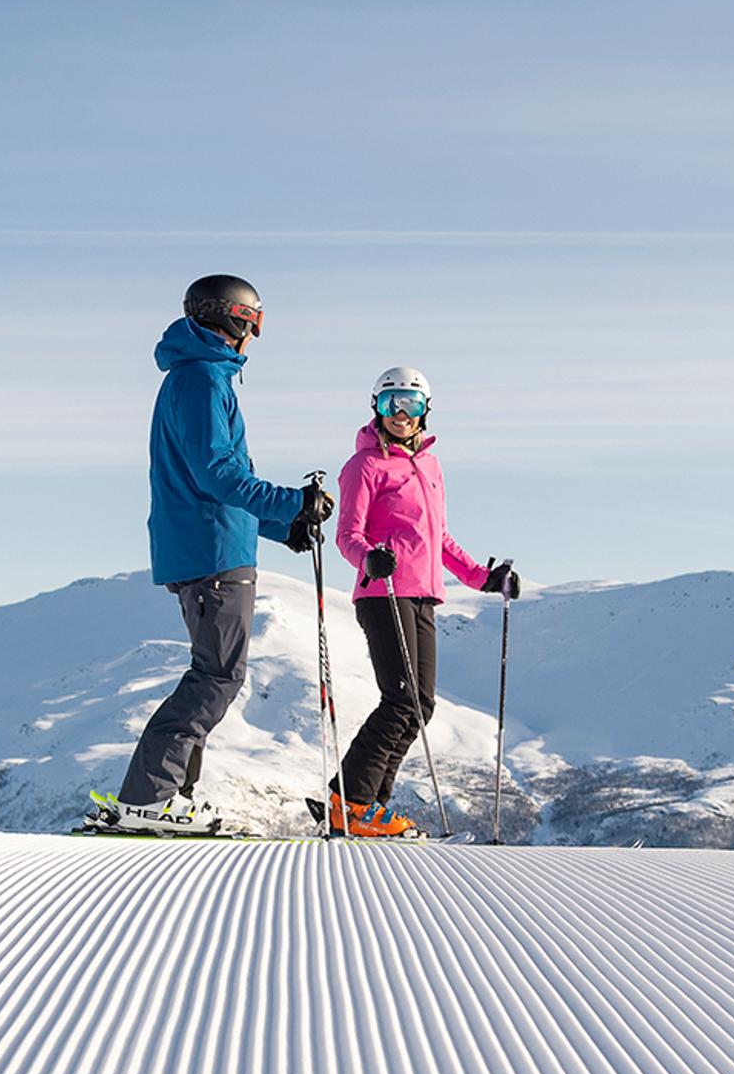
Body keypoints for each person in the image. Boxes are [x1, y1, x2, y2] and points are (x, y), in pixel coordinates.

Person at [90, 274, 333, 836]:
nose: (256, 334)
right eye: (258, 321)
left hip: (209, 543)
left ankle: (167, 798)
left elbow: (219, 480)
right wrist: (293, 501)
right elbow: (218, 474)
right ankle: (149, 797)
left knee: (212, 673)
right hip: (212, 550)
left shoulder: (199, 376)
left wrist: (281, 524)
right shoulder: (202, 379)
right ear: (238, 318)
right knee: (217, 676)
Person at [329, 366, 519, 838]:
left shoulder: (430, 467)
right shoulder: (363, 467)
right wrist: (370, 558)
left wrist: (482, 577)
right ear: (375, 407)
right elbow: (347, 535)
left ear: (425, 410)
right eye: (390, 402)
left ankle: (369, 807)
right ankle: (349, 804)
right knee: (399, 700)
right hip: (383, 592)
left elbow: (439, 537)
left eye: (410, 404)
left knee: (419, 705)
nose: (400, 412)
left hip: (423, 595)